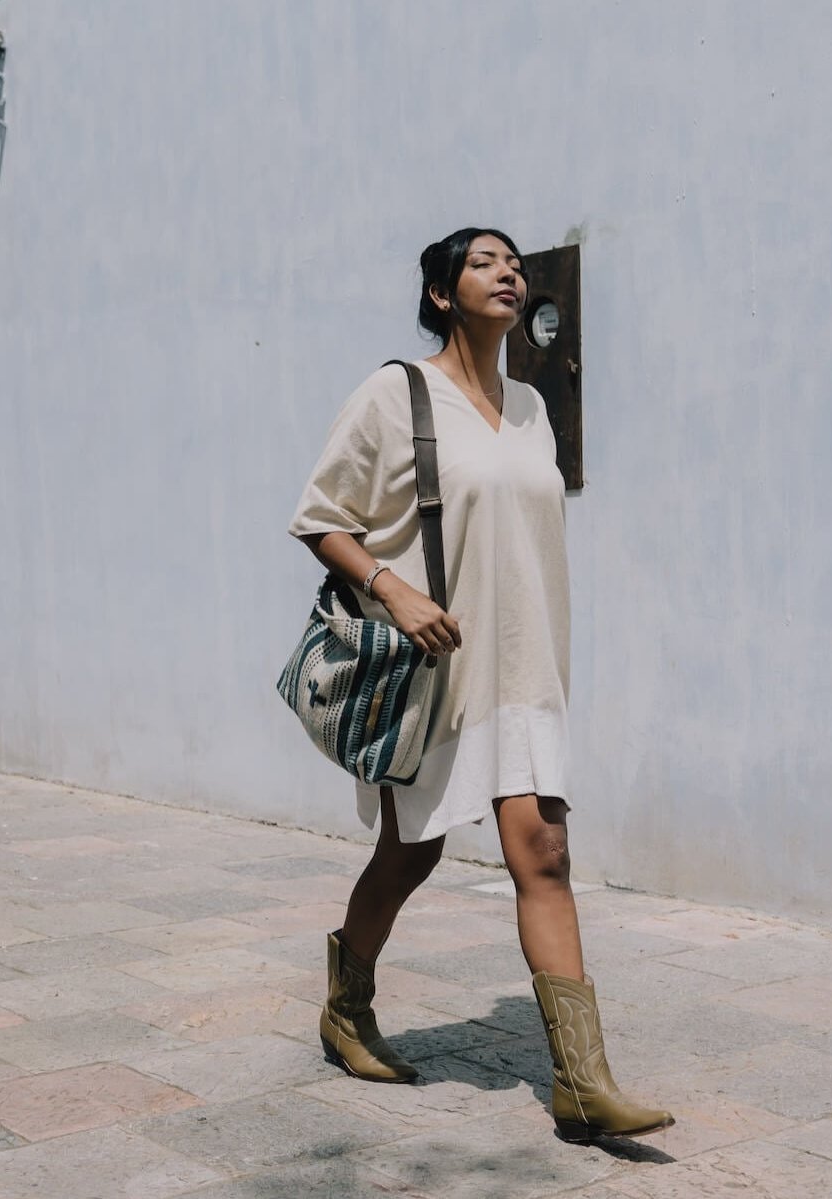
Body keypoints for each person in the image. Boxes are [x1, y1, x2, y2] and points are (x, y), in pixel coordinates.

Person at [288, 227, 674, 1142]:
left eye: (514, 262)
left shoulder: (535, 408)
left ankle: (582, 1083)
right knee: (410, 854)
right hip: (435, 672)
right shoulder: (396, 393)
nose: (508, 272)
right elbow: (319, 517)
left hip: (527, 664)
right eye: (482, 261)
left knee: (542, 851)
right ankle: (347, 1008)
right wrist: (396, 591)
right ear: (439, 294)